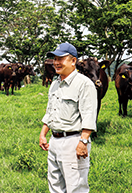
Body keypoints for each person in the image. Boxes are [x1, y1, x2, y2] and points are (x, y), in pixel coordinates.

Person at [39, 42, 97, 193]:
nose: (56, 63)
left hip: (73, 141)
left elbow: (89, 114)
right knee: (55, 186)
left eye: (61, 59)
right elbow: (51, 110)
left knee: (76, 188)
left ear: (73, 61)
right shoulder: (56, 83)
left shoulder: (84, 84)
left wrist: (83, 141)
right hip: (54, 141)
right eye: (55, 59)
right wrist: (43, 133)